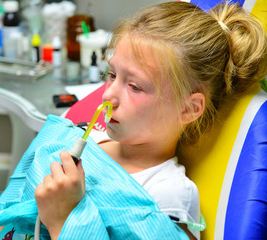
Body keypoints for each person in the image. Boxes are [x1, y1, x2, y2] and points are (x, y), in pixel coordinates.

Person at [34, 1, 267, 240]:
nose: (107, 96)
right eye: (111, 75)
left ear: (188, 109)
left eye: (134, 86)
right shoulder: (87, 140)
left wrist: (64, 220)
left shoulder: (167, 197)